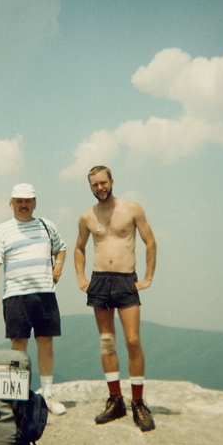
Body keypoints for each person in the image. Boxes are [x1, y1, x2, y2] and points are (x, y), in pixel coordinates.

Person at [74, 166, 157, 431]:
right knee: (107, 342)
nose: (100, 188)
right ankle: (115, 400)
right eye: (94, 185)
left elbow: (150, 242)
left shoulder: (132, 209)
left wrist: (147, 278)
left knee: (133, 340)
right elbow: (79, 248)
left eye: (103, 183)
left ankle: (138, 402)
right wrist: (81, 278)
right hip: (99, 281)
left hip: (124, 280)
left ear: (111, 182)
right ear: (91, 187)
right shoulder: (87, 216)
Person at [0, 183, 67, 415]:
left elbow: (61, 248)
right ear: (11, 203)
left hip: (44, 293)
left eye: (28, 200)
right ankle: (17, 397)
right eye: (19, 201)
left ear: (35, 202)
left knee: (46, 342)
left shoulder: (46, 226)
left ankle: (47, 394)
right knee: (18, 347)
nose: (23, 205)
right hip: (15, 295)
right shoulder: (2, 231)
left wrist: (58, 266)